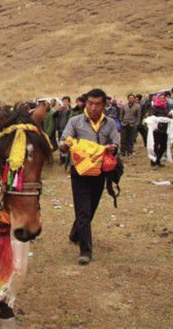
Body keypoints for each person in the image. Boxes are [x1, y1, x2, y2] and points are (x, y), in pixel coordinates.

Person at [60, 89, 118, 265]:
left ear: (104, 104)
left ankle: (75, 233)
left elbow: (116, 144)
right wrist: (64, 146)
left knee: (91, 208)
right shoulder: (75, 121)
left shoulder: (110, 124)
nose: (93, 108)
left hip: (99, 173)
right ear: (85, 103)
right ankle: (85, 251)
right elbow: (63, 140)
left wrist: (112, 148)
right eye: (90, 103)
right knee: (83, 211)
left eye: (97, 104)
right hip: (79, 173)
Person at [149, 93, 171, 168]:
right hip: (157, 130)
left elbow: (168, 116)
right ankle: (153, 162)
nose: (163, 99)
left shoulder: (165, 107)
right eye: (161, 98)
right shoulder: (154, 107)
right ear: (158, 99)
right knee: (155, 146)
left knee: (163, 146)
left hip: (165, 130)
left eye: (163, 98)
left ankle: (158, 160)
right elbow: (152, 117)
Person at [53, 96, 72, 163]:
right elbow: (54, 116)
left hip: (68, 131)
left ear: (69, 102)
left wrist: (68, 107)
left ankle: (68, 160)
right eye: (63, 101)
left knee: (68, 145)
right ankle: (62, 159)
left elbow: (71, 113)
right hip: (60, 130)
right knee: (61, 145)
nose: (64, 103)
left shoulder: (70, 110)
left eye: (66, 101)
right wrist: (58, 110)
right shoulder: (61, 110)